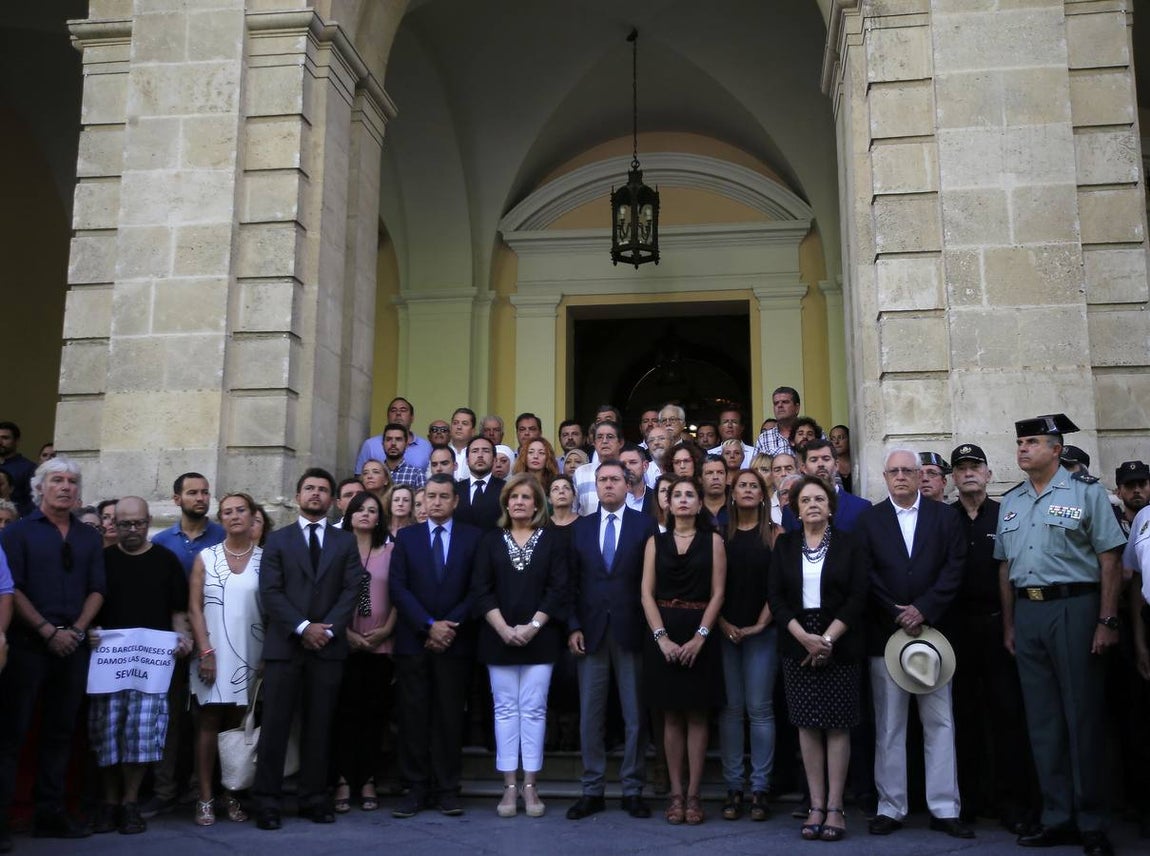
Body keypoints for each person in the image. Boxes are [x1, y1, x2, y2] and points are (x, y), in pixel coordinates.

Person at [997, 414, 1126, 856]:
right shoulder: (1011, 501)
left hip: (1075, 607)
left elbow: (1110, 558)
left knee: (1082, 716)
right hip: (1029, 613)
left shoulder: (1085, 494)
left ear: (1056, 449)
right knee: (1043, 721)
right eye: (1019, 442)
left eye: (1032, 442)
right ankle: (1056, 816)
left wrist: (1107, 620)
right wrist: (1010, 624)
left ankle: (1092, 820)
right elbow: (1005, 567)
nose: (1022, 449)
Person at [857, 449, 970, 839]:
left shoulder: (945, 516)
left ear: (921, 475)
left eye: (909, 470)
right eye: (895, 471)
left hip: (934, 636)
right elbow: (866, 574)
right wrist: (896, 611)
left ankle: (944, 807)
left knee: (940, 722)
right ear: (885, 476)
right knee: (889, 726)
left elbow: (955, 567)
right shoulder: (869, 520)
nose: (902, 477)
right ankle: (891, 807)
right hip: (887, 636)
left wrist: (924, 609)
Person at [0, 458, 105, 847]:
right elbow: (11, 589)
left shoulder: (88, 536)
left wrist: (75, 630)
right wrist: (46, 630)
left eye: (72, 481)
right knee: (12, 734)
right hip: (29, 645)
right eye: (57, 480)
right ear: (39, 487)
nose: (65, 487)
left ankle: (51, 814)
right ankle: (3, 820)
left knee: (60, 734)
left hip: (72, 648)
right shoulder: (18, 534)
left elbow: (98, 588)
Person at [252, 468, 363, 830]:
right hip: (286, 647)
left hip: (328, 648)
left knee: (320, 726)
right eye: (309, 489)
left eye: (322, 490)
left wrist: (325, 630)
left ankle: (315, 798)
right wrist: (302, 627)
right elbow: (270, 592)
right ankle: (267, 801)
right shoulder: (278, 541)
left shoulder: (344, 542)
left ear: (332, 500)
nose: (315, 494)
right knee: (275, 728)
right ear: (298, 495)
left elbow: (351, 590)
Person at [768, 475, 869, 841]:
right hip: (797, 639)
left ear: (830, 507)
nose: (812, 504)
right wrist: (803, 637)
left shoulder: (850, 545)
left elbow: (858, 596)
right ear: (795, 508)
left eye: (819, 499)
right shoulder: (785, 545)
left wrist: (826, 640)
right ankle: (815, 804)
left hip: (838, 639)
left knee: (838, 725)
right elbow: (776, 597)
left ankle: (836, 808)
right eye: (805, 499)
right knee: (807, 724)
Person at [946, 444, 1039, 834]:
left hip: (998, 625)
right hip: (955, 630)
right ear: (953, 477)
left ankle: (1012, 803)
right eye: (961, 468)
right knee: (961, 718)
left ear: (987, 473)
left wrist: (1012, 626)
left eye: (975, 467)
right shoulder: (943, 518)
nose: (968, 473)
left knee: (1006, 717)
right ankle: (967, 800)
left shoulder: (1007, 513)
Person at [88, 497, 191, 836]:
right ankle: (110, 802)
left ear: (149, 522)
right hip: (107, 664)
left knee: (142, 736)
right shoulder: (101, 561)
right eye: (124, 524)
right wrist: (90, 632)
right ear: (113, 523)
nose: (132, 530)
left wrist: (183, 639)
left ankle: (131, 802)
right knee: (107, 734)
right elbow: (89, 607)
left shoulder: (166, 560)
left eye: (138, 524)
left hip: (152, 667)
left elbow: (178, 610)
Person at [566, 460, 659, 821]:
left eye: (614, 480)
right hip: (589, 633)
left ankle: (632, 789)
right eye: (602, 480)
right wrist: (573, 626)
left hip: (631, 631)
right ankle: (592, 789)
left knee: (635, 715)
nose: (608, 485)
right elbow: (570, 583)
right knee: (591, 715)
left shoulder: (645, 525)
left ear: (627, 484)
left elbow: (650, 582)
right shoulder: (580, 528)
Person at [471, 475, 567, 818]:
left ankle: (531, 783)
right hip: (498, 639)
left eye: (526, 497)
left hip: (541, 640)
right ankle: (509, 785)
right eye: (514, 497)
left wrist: (533, 626)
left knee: (535, 709)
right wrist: (502, 627)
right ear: (505, 504)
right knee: (505, 710)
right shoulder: (490, 541)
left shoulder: (553, 540)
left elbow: (559, 588)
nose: (519, 502)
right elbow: (481, 589)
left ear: (538, 504)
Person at [388, 474, 483, 818]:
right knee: (413, 717)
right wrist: (429, 625)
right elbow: (398, 588)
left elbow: (477, 589)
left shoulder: (473, 538)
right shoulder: (407, 538)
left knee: (448, 717)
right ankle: (415, 788)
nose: (437, 502)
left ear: (455, 501)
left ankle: (447, 789)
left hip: (455, 643)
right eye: (432, 496)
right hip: (415, 642)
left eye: (444, 496)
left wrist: (448, 627)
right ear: (423, 500)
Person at [641, 476, 725, 825]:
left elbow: (718, 592)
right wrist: (661, 637)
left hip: (700, 632)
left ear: (700, 503)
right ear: (667, 503)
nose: (684, 500)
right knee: (671, 715)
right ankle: (675, 793)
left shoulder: (715, 541)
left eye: (691, 494)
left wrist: (700, 637)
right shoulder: (654, 542)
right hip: (663, 633)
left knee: (697, 715)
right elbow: (646, 593)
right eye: (677, 495)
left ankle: (694, 794)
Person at [187, 492, 264, 827]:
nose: (234, 516)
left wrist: (268, 658)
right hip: (212, 654)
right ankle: (204, 798)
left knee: (237, 728)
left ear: (252, 516)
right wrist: (205, 651)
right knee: (208, 723)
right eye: (227, 512)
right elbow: (194, 608)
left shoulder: (266, 558)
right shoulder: (206, 556)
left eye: (240, 511)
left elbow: (273, 609)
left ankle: (232, 793)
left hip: (252, 654)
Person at [718, 469, 778, 822]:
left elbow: (778, 586)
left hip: (763, 633)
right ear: (733, 492)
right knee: (730, 710)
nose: (748, 490)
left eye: (755, 486)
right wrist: (723, 624)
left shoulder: (775, 535)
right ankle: (733, 787)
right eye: (742, 485)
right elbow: (713, 587)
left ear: (763, 494)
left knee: (760, 710)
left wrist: (760, 624)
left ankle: (760, 788)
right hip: (725, 632)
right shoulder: (718, 535)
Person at [333, 492, 396, 815]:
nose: (366, 514)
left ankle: (368, 778)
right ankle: (344, 779)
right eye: (360, 509)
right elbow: (327, 596)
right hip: (344, 644)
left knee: (373, 715)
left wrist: (387, 630)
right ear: (349, 514)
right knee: (345, 715)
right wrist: (347, 634)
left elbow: (400, 594)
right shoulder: (337, 550)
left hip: (380, 643)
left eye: (372, 510)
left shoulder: (390, 550)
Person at [152, 472, 226, 575]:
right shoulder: (161, 541)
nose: (200, 498)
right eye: (192, 493)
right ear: (177, 500)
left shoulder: (224, 536)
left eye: (205, 492)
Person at [356, 397, 432, 473]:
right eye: (393, 410)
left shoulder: (426, 447)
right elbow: (359, 476)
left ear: (412, 417)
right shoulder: (370, 445)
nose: (398, 413)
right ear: (388, 416)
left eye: (403, 410)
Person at [573, 421, 624, 516]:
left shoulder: (627, 471)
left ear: (620, 443)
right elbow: (573, 510)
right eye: (600, 437)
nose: (604, 441)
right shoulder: (581, 472)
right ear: (594, 443)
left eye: (610, 437)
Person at [455, 436, 505, 531]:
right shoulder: (455, 489)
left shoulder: (506, 489)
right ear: (467, 460)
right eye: (475, 451)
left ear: (494, 459)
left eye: (485, 451)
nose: (480, 455)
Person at [755, 387, 803, 456]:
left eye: (785, 402)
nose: (780, 405)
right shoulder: (764, 438)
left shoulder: (812, 433)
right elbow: (756, 466)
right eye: (776, 403)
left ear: (797, 408)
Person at [0, 422, 35, 517]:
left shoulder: (28, 467)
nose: (0, 442)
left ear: (17, 441)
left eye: (5, 438)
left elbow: (33, 500)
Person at [379, 423, 427, 489]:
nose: (393, 443)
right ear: (382, 444)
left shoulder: (417, 475)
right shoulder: (375, 473)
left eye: (398, 439)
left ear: (406, 444)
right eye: (389, 439)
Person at [448, 407, 477, 480]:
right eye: (455, 423)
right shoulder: (442, 453)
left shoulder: (478, 455)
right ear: (451, 428)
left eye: (465, 423)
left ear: (473, 431)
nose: (459, 427)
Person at [829, 425, 853, 495]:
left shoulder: (858, 463)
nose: (836, 442)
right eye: (832, 439)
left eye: (841, 437)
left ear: (849, 439)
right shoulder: (829, 466)